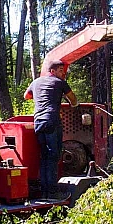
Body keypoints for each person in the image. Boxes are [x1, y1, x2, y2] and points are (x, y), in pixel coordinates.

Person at [24, 60, 78, 199]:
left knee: (44, 157)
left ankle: (44, 192)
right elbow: (73, 99)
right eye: (61, 70)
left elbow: (26, 96)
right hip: (52, 121)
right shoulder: (59, 83)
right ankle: (53, 193)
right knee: (53, 157)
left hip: (39, 123)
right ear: (52, 71)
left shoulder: (36, 82)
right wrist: (73, 105)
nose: (63, 73)